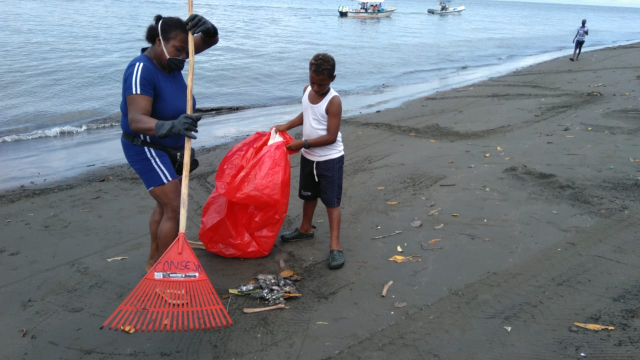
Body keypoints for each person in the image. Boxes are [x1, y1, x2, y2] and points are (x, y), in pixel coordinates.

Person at [120, 14, 218, 272]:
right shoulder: (141, 69)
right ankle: (168, 269)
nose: (184, 57)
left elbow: (210, 40)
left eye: (187, 51)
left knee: (164, 207)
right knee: (174, 206)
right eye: (178, 50)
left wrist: (209, 29)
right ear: (157, 41)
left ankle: (154, 262)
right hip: (147, 146)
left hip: (172, 147)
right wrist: (170, 126)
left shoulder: (174, 58)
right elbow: (136, 120)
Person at [272, 53, 345, 269]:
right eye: (312, 81)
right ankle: (305, 229)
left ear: (332, 78)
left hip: (329, 159)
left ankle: (335, 246)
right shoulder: (307, 90)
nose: (315, 87)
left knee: (331, 202)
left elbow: (331, 137)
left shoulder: (334, 101)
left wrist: (302, 143)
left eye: (321, 84)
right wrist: (286, 126)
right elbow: (307, 114)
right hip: (309, 157)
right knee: (308, 195)